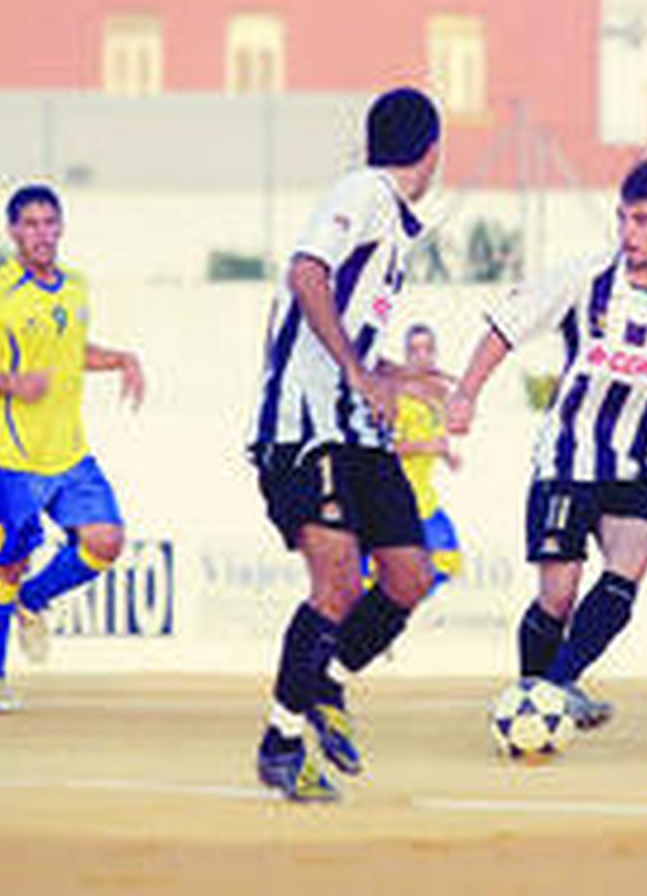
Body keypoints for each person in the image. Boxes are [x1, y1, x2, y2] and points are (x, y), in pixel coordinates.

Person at [447, 160, 647, 728]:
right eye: (624, 218)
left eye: (643, 220)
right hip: (569, 460)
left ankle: (549, 694)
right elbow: (505, 328)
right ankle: (543, 690)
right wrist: (466, 392)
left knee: (630, 564)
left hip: (644, 470)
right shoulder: (584, 278)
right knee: (558, 596)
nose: (628, 232)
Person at [248, 87, 442, 801]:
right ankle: (280, 741)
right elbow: (306, 275)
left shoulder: (393, 222)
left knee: (409, 577)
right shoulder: (363, 191)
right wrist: (359, 372)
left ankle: (327, 682)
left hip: (355, 428)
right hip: (305, 426)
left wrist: (390, 372)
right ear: (432, 152)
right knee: (334, 584)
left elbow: (336, 323)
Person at [0, 184, 145, 714]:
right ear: (13, 231)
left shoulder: (75, 287)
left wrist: (121, 359)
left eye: (49, 222)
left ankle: (34, 600)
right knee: (7, 567)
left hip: (68, 453)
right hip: (10, 459)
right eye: (31, 224)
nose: (42, 233)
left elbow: (69, 351)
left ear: (61, 227)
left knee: (106, 541)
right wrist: (13, 383)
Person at [393, 323, 463, 591]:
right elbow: (388, 447)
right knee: (380, 569)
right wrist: (426, 447)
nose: (422, 356)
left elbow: (435, 439)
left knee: (447, 561)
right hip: (400, 494)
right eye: (414, 351)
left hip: (423, 495)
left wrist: (447, 455)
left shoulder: (435, 399)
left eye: (428, 349)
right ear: (405, 357)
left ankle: (402, 602)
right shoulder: (398, 398)